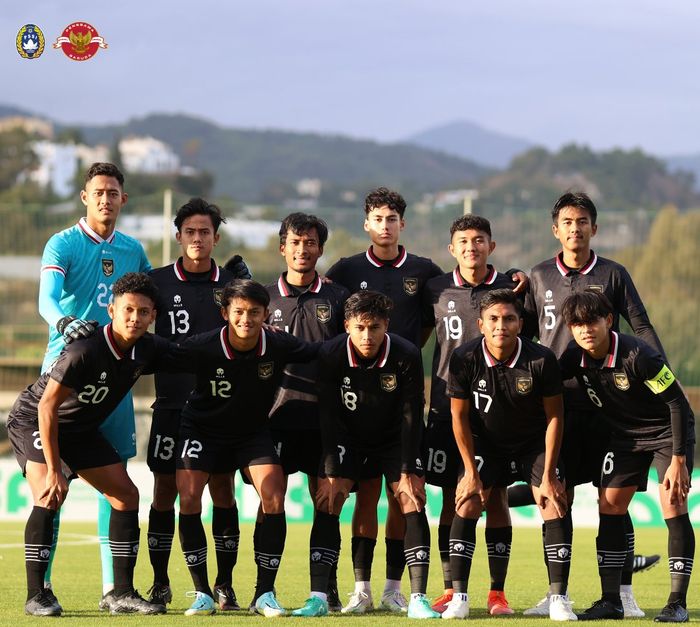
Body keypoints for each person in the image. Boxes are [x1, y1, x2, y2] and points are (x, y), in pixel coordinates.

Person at [515, 191, 663, 617]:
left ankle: (624, 593)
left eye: (582, 221)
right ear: (555, 229)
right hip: (556, 407)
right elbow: (519, 330)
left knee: (611, 499)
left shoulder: (614, 274)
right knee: (554, 495)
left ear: (593, 228)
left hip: (609, 407)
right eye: (567, 221)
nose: (575, 228)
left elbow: (641, 326)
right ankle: (556, 594)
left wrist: (656, 376)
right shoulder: (538, 275)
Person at [8, 273, 170, 616]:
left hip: (79, 431)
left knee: (126, 496)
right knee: (50, 493)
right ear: (112, 310)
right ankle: (37, 595)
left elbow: (195, 351)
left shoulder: (147, 348)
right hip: (34, 420)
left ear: (153, 316)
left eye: (143, 312)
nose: (134, 318)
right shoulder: (84, 350)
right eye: (128, 310)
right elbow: (46, 407)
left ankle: (120, 594)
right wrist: (54, 470)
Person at [37, 162, 151, 607]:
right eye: (98, 191)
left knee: (117, 483)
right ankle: (41, 588)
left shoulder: (132, 249)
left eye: (113, 192)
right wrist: (63, 321)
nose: (106, 198)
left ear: (124, 199)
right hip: (66, 372)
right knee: (53, 482)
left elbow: (153, 292)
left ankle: (113, 589)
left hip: (116, 380)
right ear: (85, 197)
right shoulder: (62, 243)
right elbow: (46, 296)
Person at [172, 279, 320, 616]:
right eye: (239, 311)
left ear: (266, 314)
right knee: (191, 496)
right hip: (201, 429)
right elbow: (160, 354)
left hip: (251, 433)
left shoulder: (278, 343)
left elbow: (320, 351)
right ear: (225, 313)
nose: (246, 319)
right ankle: (202, 593)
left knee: (274, 496)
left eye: (254, 312)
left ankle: (264, 594)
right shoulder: (203, 345)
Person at [325, 187, 442, 612]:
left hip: (403, 394)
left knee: (404, 496)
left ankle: (398, 590)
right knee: (366, 496)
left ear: (402, 224)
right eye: (378, 218)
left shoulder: (425, 270)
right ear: (367, 224)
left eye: (392, 218)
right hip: (356, 401)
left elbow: (445, 311)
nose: (385, 225)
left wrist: (513, 277)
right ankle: (361, 590)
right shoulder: (345, 268)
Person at [291, 291, 439, 619]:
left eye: (374, 327)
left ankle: (411, 596)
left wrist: (408, 467)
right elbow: (327, 413)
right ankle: (331, 595)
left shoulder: (406, 353)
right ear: (347, 326)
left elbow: (413, 411)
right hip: (347, 437)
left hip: (393, 437)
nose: (367, 335)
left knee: (411, 498)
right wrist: (330, 467)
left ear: (386, 325)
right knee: (329, 497)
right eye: (360, 327)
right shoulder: (331, 353)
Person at [560, 292, 695, 623]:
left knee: (673, 505)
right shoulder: (572, 357)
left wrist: (678, 459)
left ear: (608, 320)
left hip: (667, 432)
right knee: (609, 504)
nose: (585, 330)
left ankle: (677, 603)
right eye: (577, 324)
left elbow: (678, 404)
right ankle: (611, 601)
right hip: (625, 438)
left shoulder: (640, 355)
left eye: (591, 321)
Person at [421, 215, 532, 615]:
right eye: (464, 241)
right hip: (445, 408)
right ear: (452, 249)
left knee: (496, 495)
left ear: (492, 246)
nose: (472, 247)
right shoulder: (435, 287)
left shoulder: (514, 288)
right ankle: (453, 589)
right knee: (453, 496)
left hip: (498, 411)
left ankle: (497, 592)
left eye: (479, 240)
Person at [145, 198, 251, 610]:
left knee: (222, 491)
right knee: (165, 492)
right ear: (179, 236)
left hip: (219, 407)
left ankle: (223, 585)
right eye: (190, 232)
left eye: (204, 232)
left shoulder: (231, 286)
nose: (197, 239)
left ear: (216, 238)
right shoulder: (156, 282)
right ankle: (159, 582)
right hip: (171, 405)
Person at [444, 289, 574, 621]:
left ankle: (558, 598)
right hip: (485, 444)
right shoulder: (464, 358)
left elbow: (555, 417)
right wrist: (471, 472)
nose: (501, 325)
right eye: (494, 319)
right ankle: (459, 597)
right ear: (481, 325)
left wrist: (548, 475)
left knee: (553, 501)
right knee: (469, 501)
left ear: (520, 324)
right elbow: (458, 417)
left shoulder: (541, 359)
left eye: (509, 319)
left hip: (533, 445)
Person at [265, 212, 349, 610]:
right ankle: (265, 590)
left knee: (327, 504)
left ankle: (324, 588)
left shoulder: (338, 298)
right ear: (283, 247)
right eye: (295, 243)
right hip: (276, 418)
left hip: (326, 420)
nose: (303, 250)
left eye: (310, 243)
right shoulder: (263, 300)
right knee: (271, 502)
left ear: (320, 249)